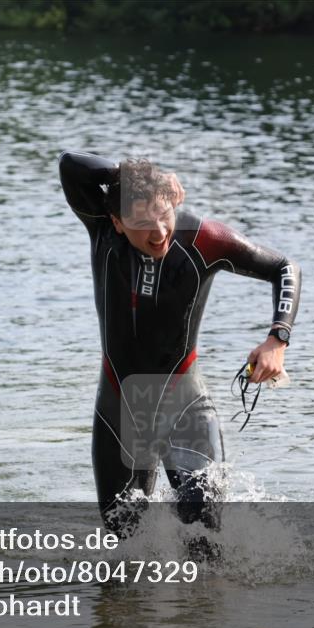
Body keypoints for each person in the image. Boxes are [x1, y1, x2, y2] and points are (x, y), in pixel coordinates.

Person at [57, 150, 301, 538]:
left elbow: (284, 267)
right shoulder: (102, 229)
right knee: (127, 547)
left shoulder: (203, 239)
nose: (158, 233)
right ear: (117, 223)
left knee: (204, 538)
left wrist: (277, 338)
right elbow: (71, 164)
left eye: (163, 213)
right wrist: (140, 174)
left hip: (185, 404)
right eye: (141, 222)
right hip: (118, 407)